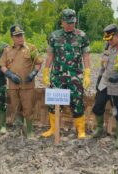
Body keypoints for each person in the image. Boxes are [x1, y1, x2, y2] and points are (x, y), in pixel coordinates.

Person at [41, 8, 91, 139]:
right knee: (53, 102)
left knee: (77, 101)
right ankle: (53, 128)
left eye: (72, 23)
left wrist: (87, 72)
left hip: (75, 75)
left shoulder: (82, 36)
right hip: (58, 75)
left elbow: (86, 55)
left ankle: (80, 130)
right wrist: (46, 71)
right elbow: (50, 55)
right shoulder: (54, 36)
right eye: (67, 23)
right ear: (62, 22)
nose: (70, 25)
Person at [0, 25, 43, 138]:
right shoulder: (7, 50)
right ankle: (19, 130)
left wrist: (33, 73)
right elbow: (2, 65)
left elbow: (38, 62)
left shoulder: (31, 48)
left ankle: (29, 131)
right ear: (12, 37)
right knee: (16, 107)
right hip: (13, 86)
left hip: (27, 85)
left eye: (21, 35)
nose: (20, 37)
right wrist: (9, 74)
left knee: (28, 108)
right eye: (17, 36)